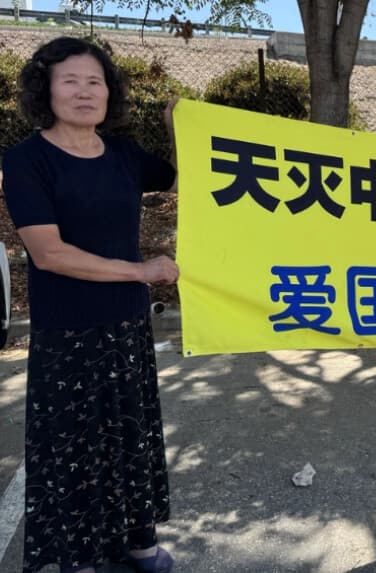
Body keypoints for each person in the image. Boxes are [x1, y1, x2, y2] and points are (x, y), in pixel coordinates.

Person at [1, 37, 178, 573]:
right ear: (46, 90)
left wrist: (179, 128)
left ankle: (139, 543)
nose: (84, 92)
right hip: (68, 330)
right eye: (70, 81)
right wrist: (141, 271)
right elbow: (49, 254)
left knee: (130, 437)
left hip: (127, 325)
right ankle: (79, 557)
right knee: (75, 448)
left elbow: (183, 178)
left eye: (94, 82)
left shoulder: (123, 155)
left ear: (109, 92)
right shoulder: (26, 161)